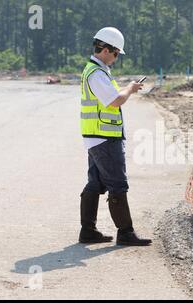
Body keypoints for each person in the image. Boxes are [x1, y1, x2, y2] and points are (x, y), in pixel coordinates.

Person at [79, 27, 152, 246]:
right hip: (104, 137)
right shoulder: (96, 74)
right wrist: (129, 88)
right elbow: (115, 101)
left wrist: (126, 89)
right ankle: (125, 232)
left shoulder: (96, 71)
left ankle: (88, 231)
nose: (117, 58)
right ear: (106, 49)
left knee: (95, 183)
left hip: (97, 136)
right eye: (117, 53)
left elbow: (110, 98)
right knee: (118, 185)